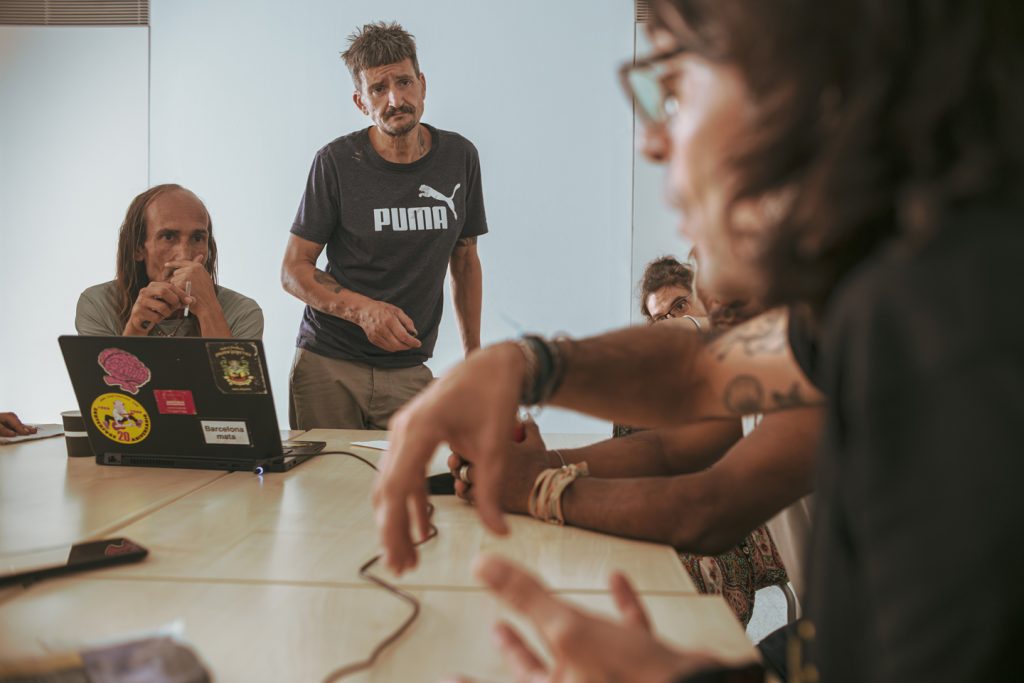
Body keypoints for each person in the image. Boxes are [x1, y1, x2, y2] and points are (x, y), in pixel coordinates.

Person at [376, 0, 1024, 681]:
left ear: (810, 85)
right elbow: (705, 373)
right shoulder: (877, 302)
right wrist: (527, 364)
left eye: (675, 86)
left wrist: (543, 488)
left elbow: (709, 489)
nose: (652, 140)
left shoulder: (947, 335)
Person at [281, 21, 487, 430]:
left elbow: (464, 261)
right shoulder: (336, 162)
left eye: (404, 82)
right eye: (378, 89)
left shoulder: (460, 157)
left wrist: (474, 359)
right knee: (328, 475)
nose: (395, 99)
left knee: (410, 471)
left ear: (422, 85)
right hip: (328, 364)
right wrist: (363, 311)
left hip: (409, 367)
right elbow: (293, 270)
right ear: (361, 102)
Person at [76, 184, 263, 339]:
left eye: (197, 238)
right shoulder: (99, 305)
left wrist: (209, 311)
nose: (184, 255)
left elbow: (235, 375)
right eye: (168, 237)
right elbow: (107, 376)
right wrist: (136, 330)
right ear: (138, 248)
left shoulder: (242, 312)